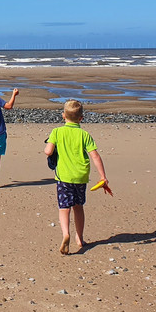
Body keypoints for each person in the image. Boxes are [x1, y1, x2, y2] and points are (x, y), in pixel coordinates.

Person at [44, 99, 112, 254]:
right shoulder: (84, 134)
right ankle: (79, 238)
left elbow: (48, 151)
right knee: (78, 207)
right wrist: (103, 176)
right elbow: (95, 156)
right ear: (81, 118)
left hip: (64, 177)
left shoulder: (57, 132)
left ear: (63, 116)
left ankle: (66, 234)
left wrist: (50, 145)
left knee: (64, 207)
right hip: (81, 177)